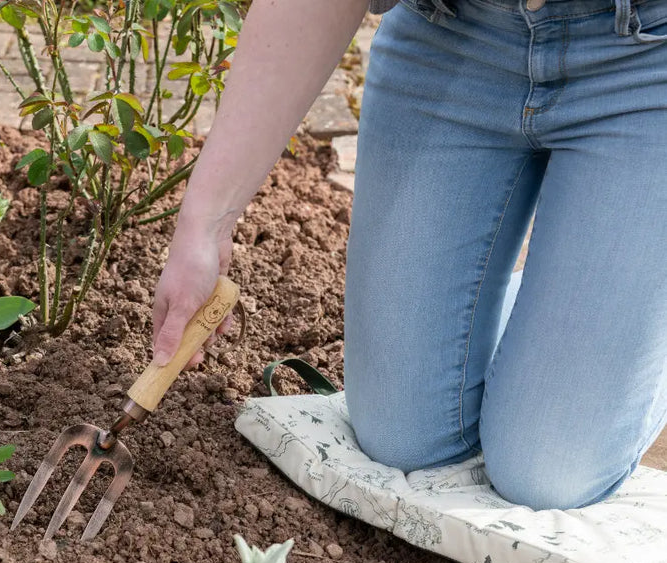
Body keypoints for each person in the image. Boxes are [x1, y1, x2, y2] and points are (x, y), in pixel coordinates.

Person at [150, 0, 667, 510]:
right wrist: (205, 223)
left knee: (548, 471)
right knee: (404, 437)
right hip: (454, 38)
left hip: (646, 62)